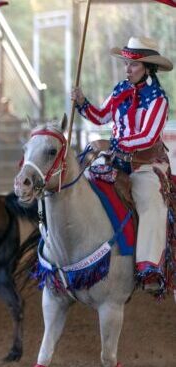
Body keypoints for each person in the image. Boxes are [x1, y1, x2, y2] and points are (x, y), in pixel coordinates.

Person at [71, 36, 172, 296]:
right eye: (126, 64)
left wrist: (111, 144)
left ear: (147, 68)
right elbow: (100, 116)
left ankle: (149, 268)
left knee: (150, 202)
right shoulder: (119, 89)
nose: (127, 69)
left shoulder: (158, 99)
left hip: (146, 164)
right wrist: (81, 102)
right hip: (116, 159)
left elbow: (148, 137)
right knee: (81, 185)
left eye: (133, 65)